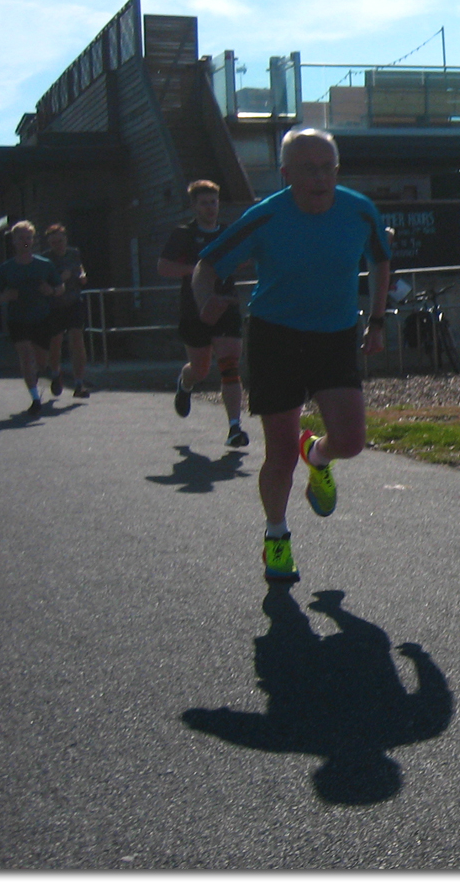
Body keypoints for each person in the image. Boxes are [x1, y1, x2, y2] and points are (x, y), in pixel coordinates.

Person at [191, 129, 391, 585]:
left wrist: (376, 320)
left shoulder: (360, 210)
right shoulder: (266, 216)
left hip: (335, 335)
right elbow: (208, 265)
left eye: (328, 167)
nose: (320, 177)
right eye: (308, 169)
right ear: (285, 175)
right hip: (275, 337)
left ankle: (318, 457)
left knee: (352, 441)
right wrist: (205, 303)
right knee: (279, 452)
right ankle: (276, 537)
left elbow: (380, 260)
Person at [158, 180, 249, 448]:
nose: (210, 208)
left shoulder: (227, 232)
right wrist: (200, 270)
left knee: (229, 364)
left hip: (226, 305)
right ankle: (185, 383)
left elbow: (244, 259)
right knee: (200, 369)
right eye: (204, 203)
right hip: (195, 307)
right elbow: (164, 267)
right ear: (194, 206)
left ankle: (234, 428)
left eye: (214, 202)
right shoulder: (183, 234)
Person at [0, 220, 64, 417]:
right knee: (25, 355)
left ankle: (52, 373)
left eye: (28, 238)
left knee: (41, 361)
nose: (25, 241)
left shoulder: (44, 265)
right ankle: (35, 399)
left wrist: (51, 290)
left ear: (33, 240)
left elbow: (59, 288)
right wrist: (5, 296)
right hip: (18, 318)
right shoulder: (6, 268)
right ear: (13, 241)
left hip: (41, 317)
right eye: (21, 238)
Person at [42, 224, 90, 398]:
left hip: (74, 301)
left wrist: (82, 276)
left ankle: (79, 384)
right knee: (56, 342)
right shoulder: (46, 259)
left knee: (77, 340)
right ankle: (55, 374)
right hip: (54, 305)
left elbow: (80, 267)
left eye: (60, 241)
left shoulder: (73, 253)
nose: (58, 245)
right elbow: (43, 283)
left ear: (65, 239)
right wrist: (59, 280)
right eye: (54, 242)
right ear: (49, 243)